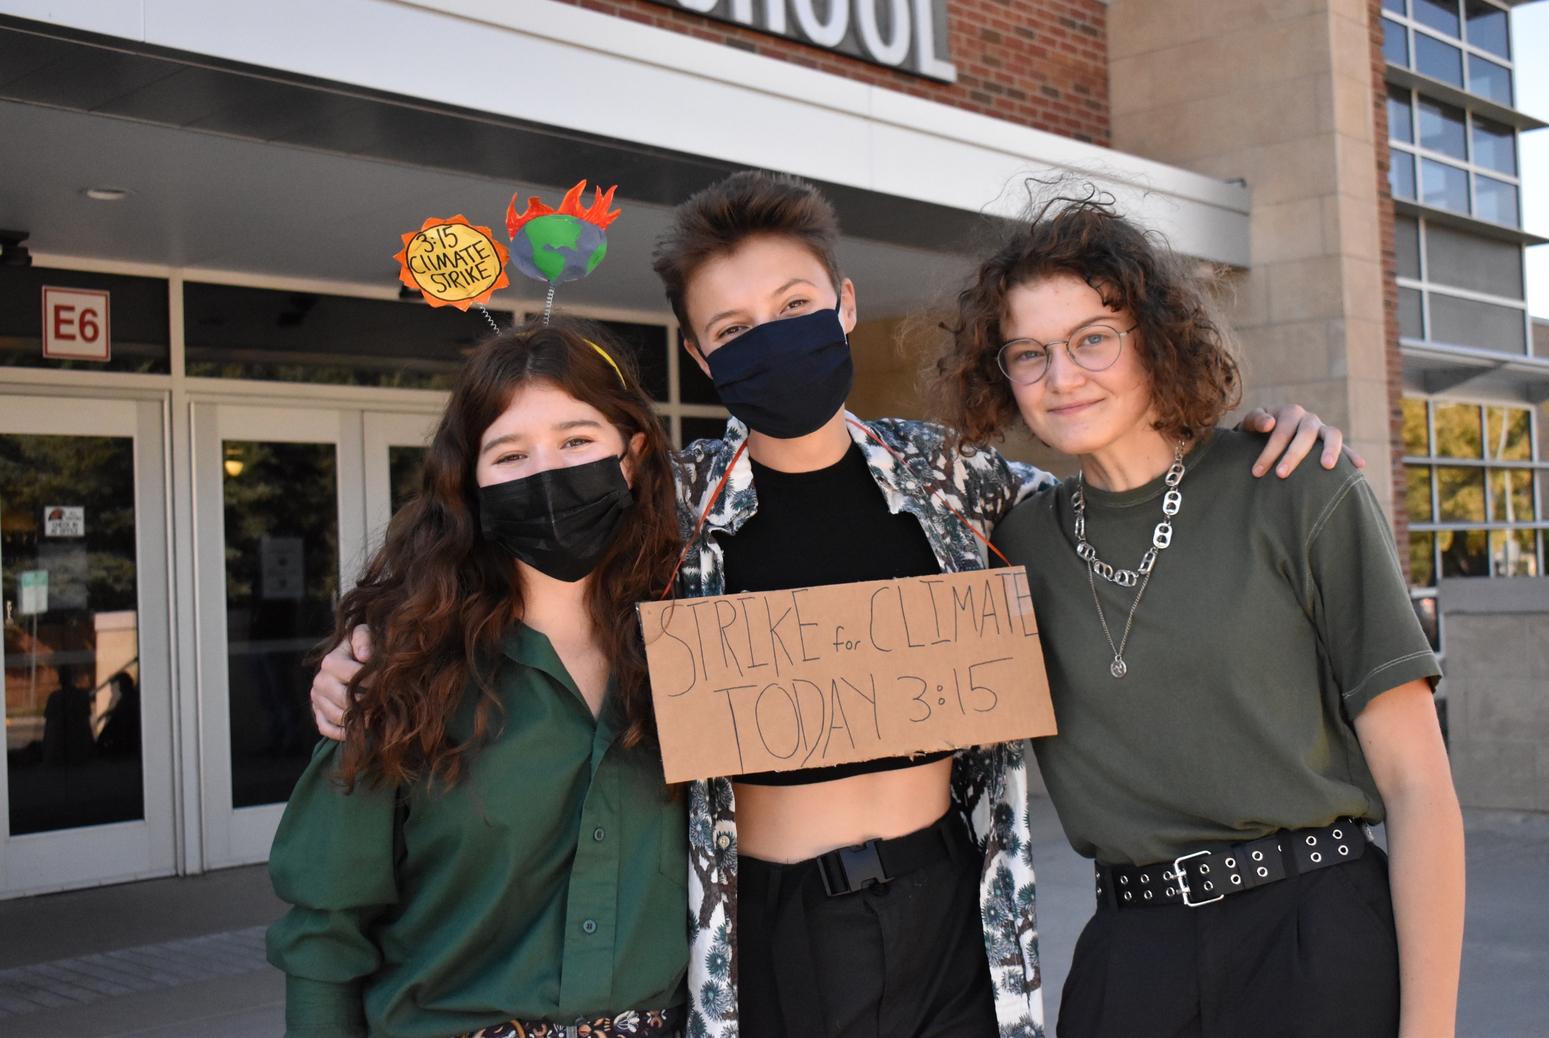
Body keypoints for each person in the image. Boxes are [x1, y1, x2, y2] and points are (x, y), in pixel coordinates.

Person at [313, 172, 1356, 1037]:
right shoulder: (668, 510)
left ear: (846, 305)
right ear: (699, 353)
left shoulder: (959, 480)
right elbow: (506, 564)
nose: (769, 339)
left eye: (796, 310)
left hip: (949, 910)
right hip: (766, 929)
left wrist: (1239, 439)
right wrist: (369, 641)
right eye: (733, 326)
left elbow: (1118, 500)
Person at [927, 190, 1464, 1037]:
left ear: (1156, 337)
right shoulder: (1012, 542)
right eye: (1027, 354)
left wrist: (1430, 1030)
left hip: (1314, 937)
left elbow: (1418, 783)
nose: (1061, 377)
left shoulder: (1296, 485)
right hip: (1132, 959)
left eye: (1092, 339)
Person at [267, 320, 689, 1038]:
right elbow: (326, 934)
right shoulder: (400, 674)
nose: (547, 472)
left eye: (577, 440)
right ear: (471, 482)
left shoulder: (698, 643)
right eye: (510, 453)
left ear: (633, 454)